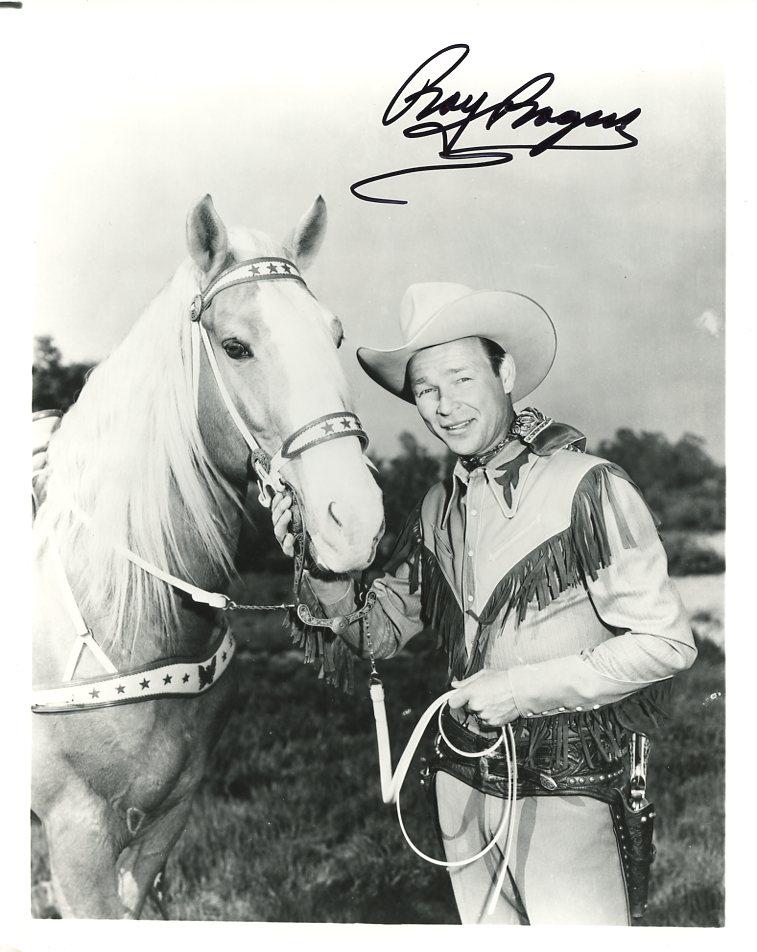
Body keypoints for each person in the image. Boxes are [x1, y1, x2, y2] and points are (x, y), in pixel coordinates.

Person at [273, 281, 697, 925]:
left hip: (569, 791)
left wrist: (520, 689)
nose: (445, 406)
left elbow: (667, 645)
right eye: (425, 390)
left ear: (506, 372)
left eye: (462, 378)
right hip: (460, 788)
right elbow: (378, 632)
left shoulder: (588, 488)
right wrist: (325, 561)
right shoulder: (439, 507)